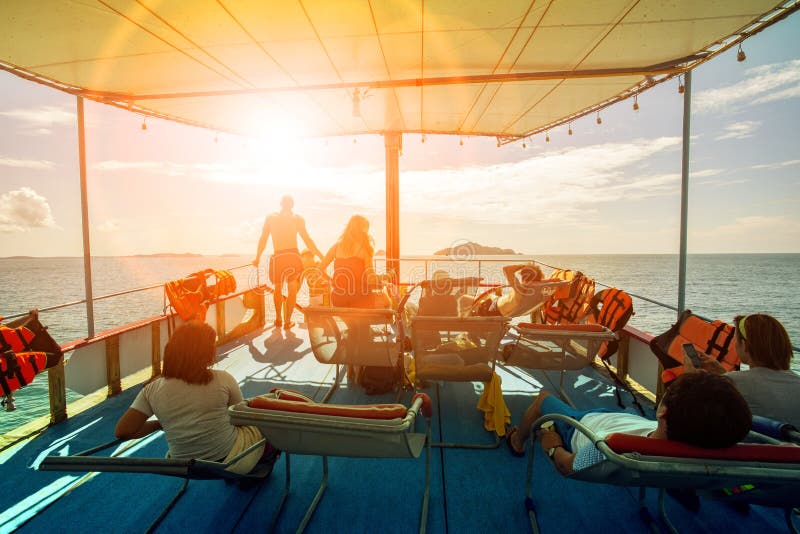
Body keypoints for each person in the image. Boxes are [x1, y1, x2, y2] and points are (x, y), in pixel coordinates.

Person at [506, 372, 751, 475]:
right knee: (631, 412)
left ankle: (517, 440)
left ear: (663, 412)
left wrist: (552, 445)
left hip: (580, 427)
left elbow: (568, 467)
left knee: (542, 399)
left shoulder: (615, 448)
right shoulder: (719, 449)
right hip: (625, 422)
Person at [115, 321, 270, 475]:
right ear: (206, 353)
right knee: (270, 425)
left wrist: (158, 424)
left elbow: (124, 431)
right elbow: (241, 417)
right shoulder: (223, 379)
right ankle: (253, 468)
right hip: (227, 461)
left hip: (182, 467)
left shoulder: (151, 390)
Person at [684, 313, 800, 428]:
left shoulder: (732, 383)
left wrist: (691, 378)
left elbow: (692, 415)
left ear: (744, 345)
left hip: (749, 445)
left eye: (736, 340)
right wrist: (724, 374)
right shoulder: (797, 382)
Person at [252, 195, 323, 330]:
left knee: (278, 289)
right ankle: (288, 321)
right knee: (292, 290)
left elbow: (263, 239)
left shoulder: (271, 218)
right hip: (292, 256)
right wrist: (322, 256)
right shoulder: (297, 218)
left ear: (281, 204)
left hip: (278, 256)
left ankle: (278, 319)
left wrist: (257, 258)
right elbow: (308, 240)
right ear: (292, 205)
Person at [321, 214, 385, 308]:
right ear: (363, 231)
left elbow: (319, 269)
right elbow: (371, 278)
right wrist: (384, 277)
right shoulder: (365, 250)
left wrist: (332, 281)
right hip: (360, 298)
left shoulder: (336, 247)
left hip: (338, 299)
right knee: (387, 300)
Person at [465, 263, 549, 317]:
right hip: (497, 303)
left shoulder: (520, 289)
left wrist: (525, 266)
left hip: (492, 309)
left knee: (464, 299)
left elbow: (506, 269)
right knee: (487, 294)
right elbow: (556, 280)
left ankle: (466, 327)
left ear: (523, 277)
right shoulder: (540, 288)